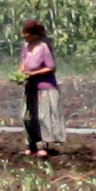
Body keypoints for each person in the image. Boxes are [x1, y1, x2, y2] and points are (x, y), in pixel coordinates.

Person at [18, 21, 63, 158]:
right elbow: (23, 63)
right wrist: (20, 74)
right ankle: (31, 144)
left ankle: (43, 146)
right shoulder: (26, 46)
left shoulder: (43, 47)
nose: (24, 36)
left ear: (35, 35)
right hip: (30, 86)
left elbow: (51, 67)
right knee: (27, 117)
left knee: (43, 117)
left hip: (45, 88)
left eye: (26, 33)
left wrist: (33, 74)